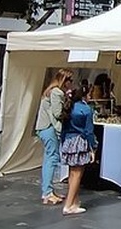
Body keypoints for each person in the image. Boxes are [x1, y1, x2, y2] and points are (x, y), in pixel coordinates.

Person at [35, 68, 73, 205]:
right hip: (49, 128)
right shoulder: (57, 92)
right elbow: (57, 113)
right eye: (70, 80)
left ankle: (48, 190)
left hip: (43, 128)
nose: (71, 83)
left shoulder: (50, 91)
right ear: (65, 80)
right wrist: (67, 109)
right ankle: (47, 193)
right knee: (52, 158)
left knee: (48, 158)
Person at [59, 88, 97, 216]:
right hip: (79, 142)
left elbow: (63, 128)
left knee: (71, 173)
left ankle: (74, 201)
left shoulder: (69, 107)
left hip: (68, 140)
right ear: (85, 96)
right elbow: (88, 131)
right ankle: (69, 205)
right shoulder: (86, 110)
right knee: (77, 174)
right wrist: (93, 146)